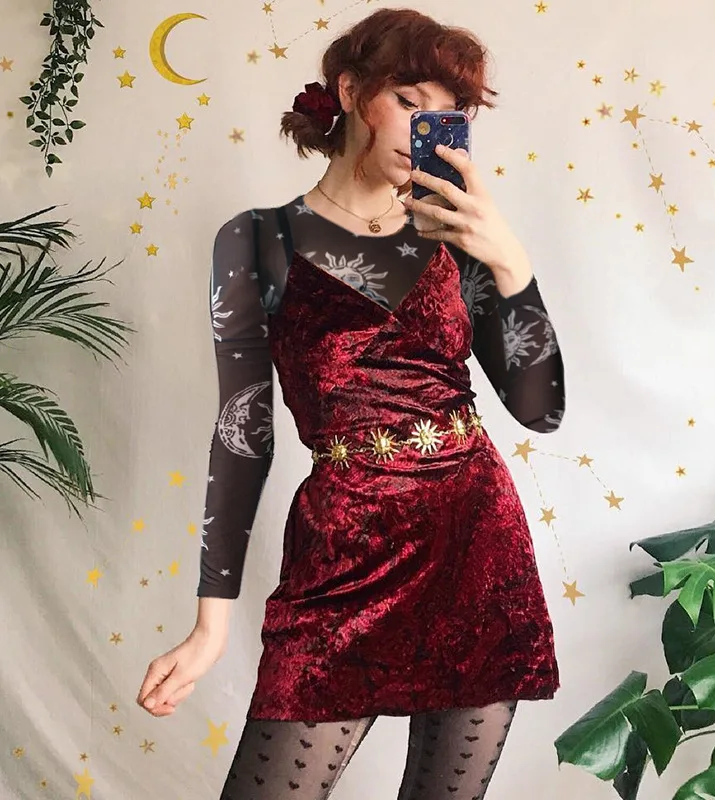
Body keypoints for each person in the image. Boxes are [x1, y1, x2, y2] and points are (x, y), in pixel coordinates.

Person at [136, 7, 566, 799]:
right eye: (409, 101)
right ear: (349, 90)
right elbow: (243, 432)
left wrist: (510, 262)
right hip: (344, 552)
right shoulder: (257, 240)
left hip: (475, 540)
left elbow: (541, 411)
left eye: (449, 114)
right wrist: (209, 625)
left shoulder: (457, 235)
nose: (427, 127)